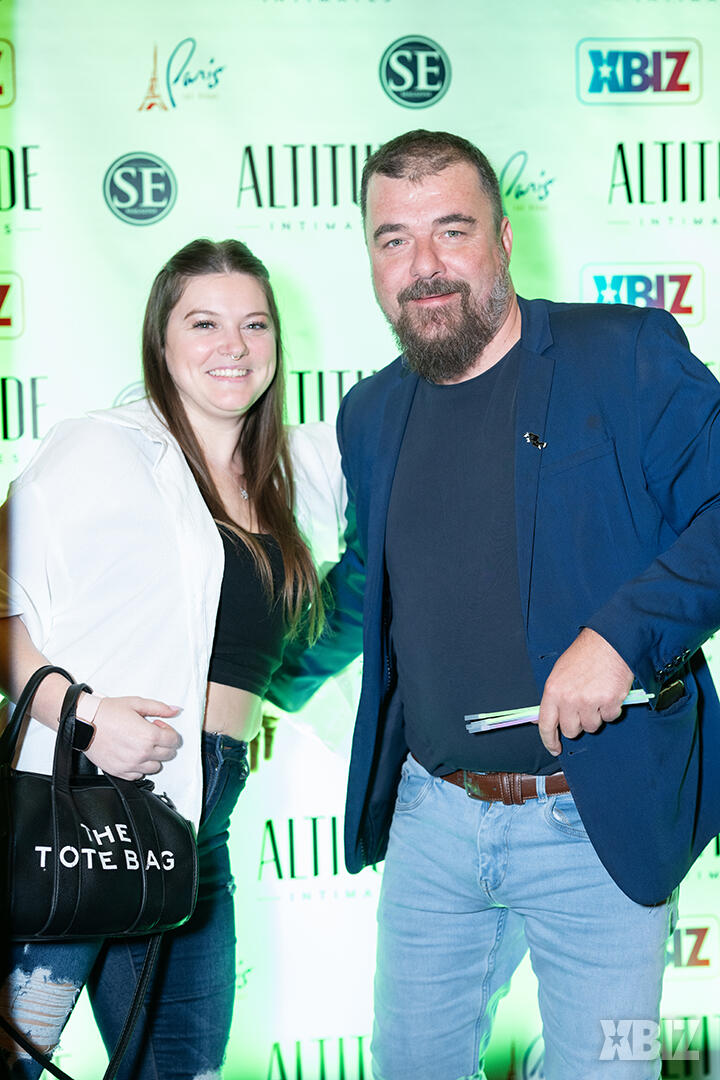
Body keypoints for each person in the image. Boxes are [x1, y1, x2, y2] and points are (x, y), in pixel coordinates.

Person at [268, 130, 720, 1080]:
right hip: (433, 823)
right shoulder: (370, 412)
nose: (424, 265)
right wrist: (258, 674)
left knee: (614, 1071)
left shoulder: (627, 355)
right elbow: (370, 582)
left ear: (504, 239)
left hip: (598, 825)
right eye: (394, 239)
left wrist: (621, 639)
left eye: (452, 230)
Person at [0, 238, 346, 1079]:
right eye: (204, 323)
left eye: (254, 324)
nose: (234, 345)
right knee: (14, 1059)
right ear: (162, 340)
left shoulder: (297, 471)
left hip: (199, 829)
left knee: (181, 1071)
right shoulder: (99, 448)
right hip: (79, 814)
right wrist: (83, 715)